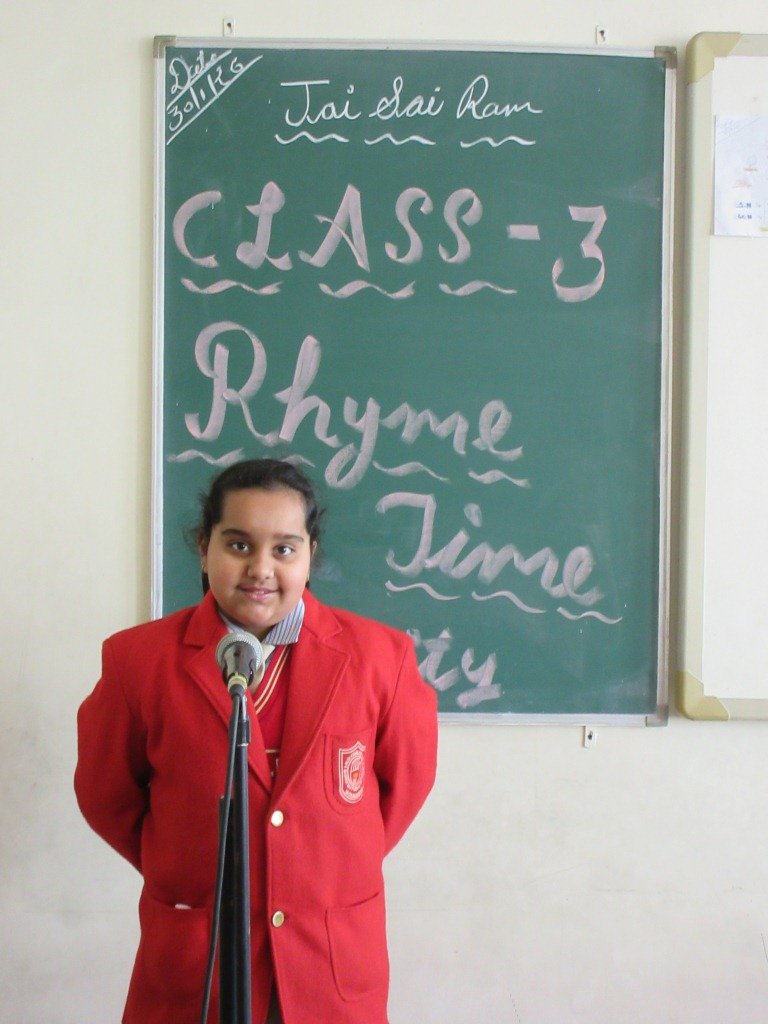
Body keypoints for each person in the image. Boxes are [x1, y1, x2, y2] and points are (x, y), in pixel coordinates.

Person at [74, 458, 438, 1024]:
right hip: (198, 965)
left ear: (311, 554)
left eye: (284, 549)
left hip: (328, 964)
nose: (261, 569)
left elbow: (403, 787)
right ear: (204, 547)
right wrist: (181, 860)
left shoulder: (380, 659)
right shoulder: (138, 662)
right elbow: (106, 795)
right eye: (239, 545)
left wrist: (317, 863)